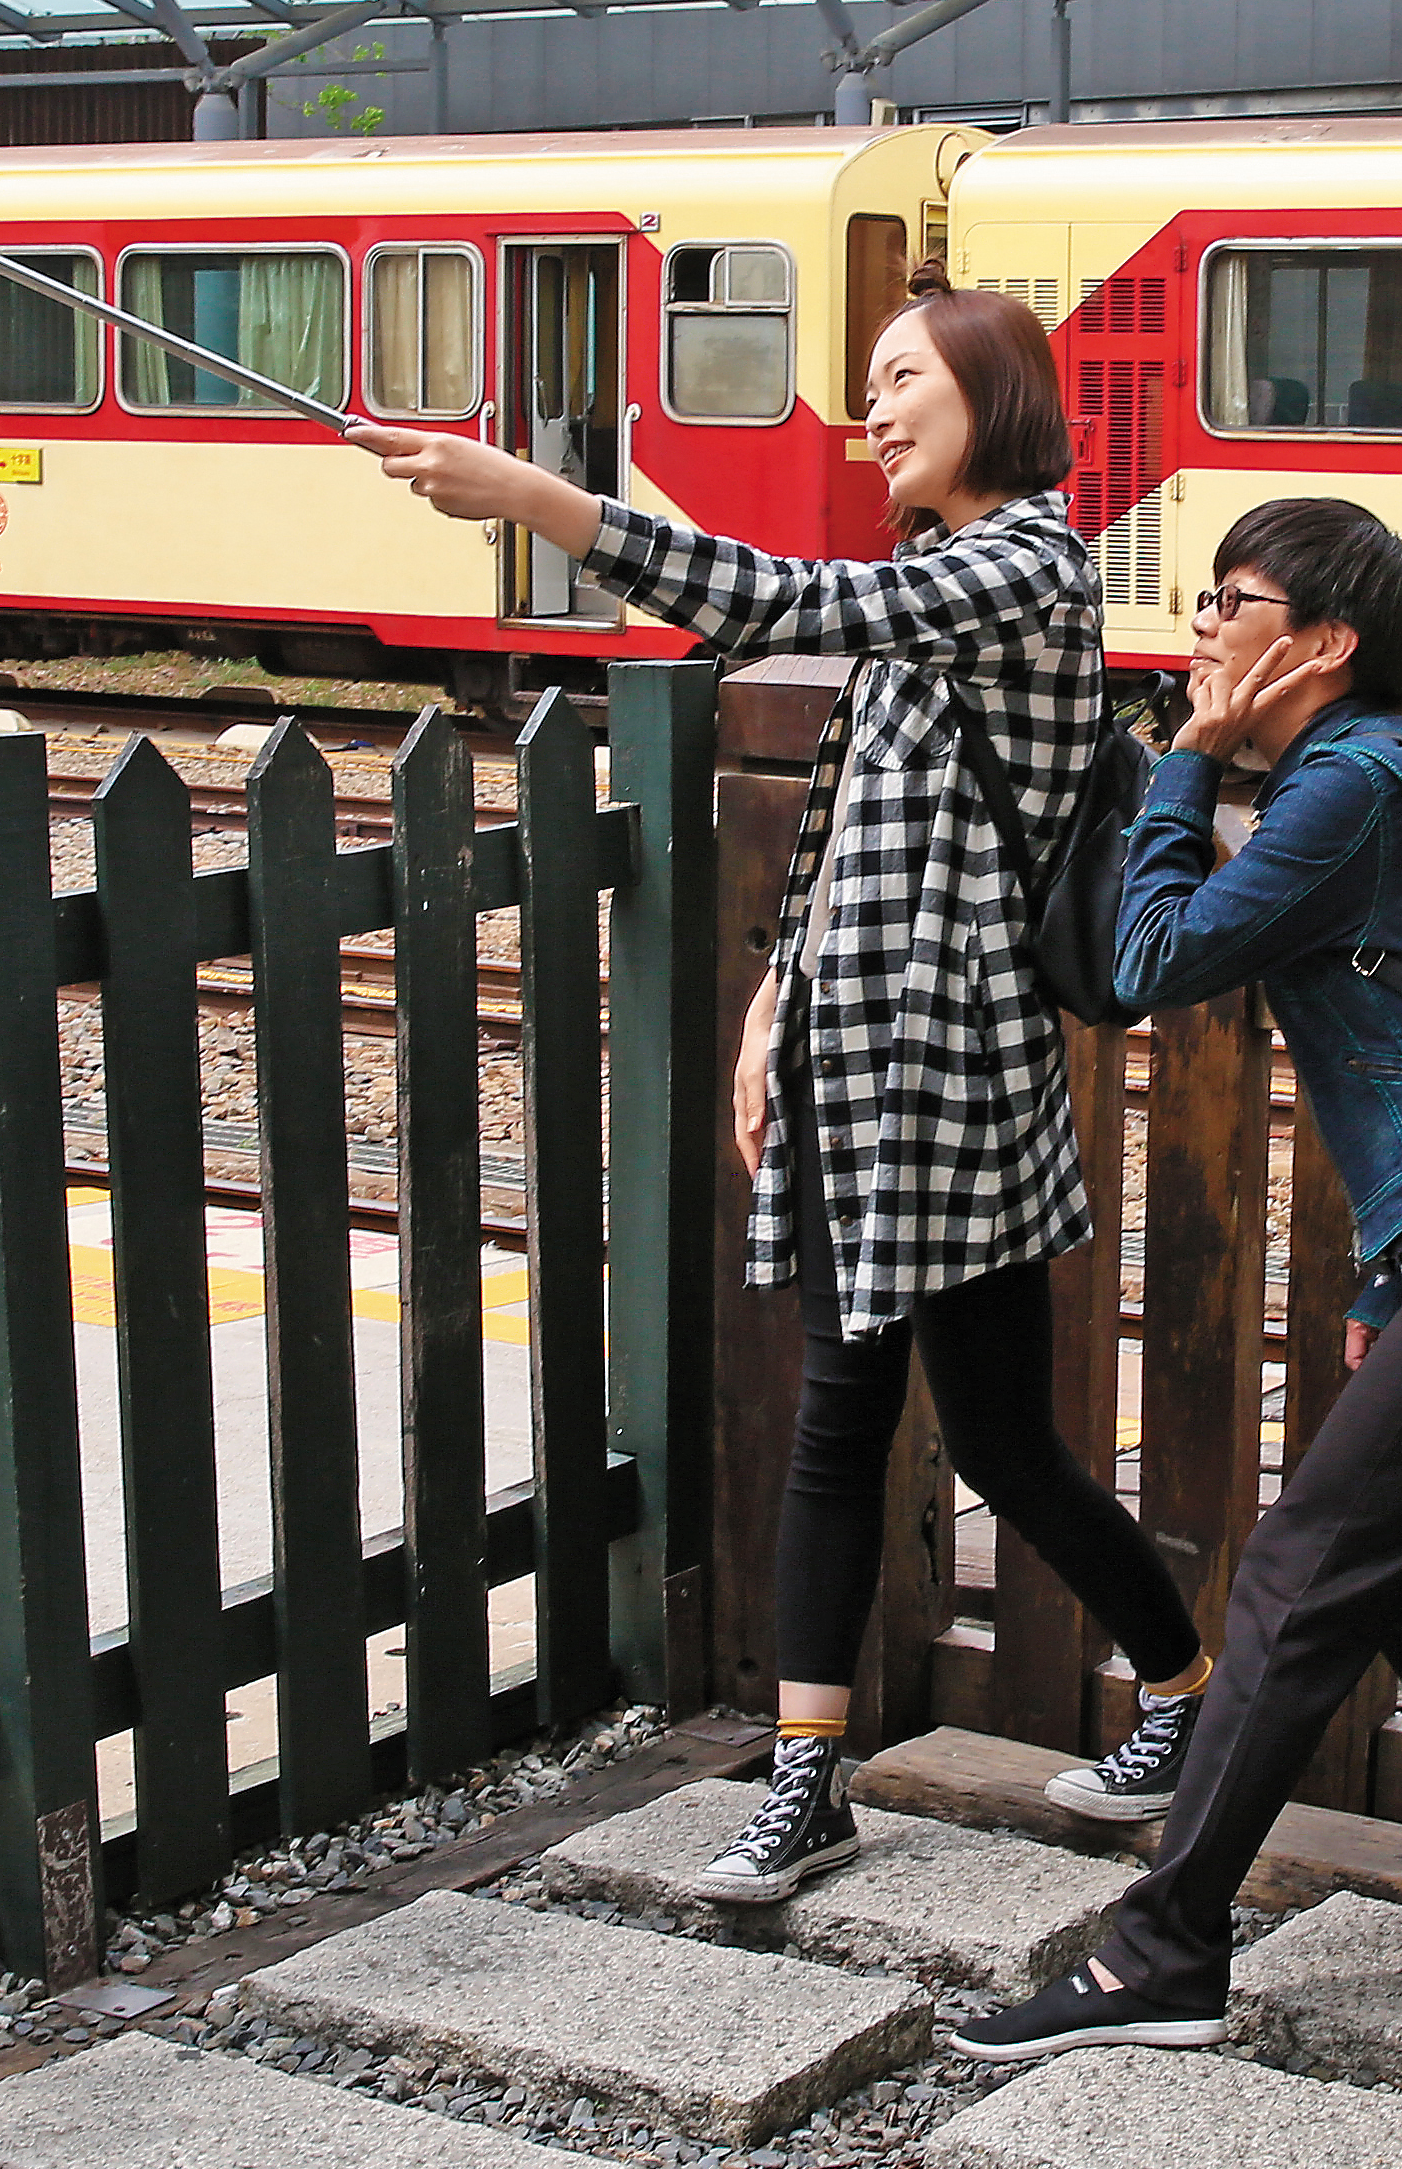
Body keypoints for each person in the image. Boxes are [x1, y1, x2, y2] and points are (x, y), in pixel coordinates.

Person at [358, 288, 1213, 1898]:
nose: (871, 413)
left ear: (993, 395)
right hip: (856, 1062)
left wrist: (550, 502)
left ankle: (1174, 1685)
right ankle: (829, 1772)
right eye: (870, 388)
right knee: (877, 1424)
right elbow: (841, 838)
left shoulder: (1024, 564)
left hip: (953, 1077)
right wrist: (770, 1008)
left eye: (903, 382)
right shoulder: (931, 584)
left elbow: (766, 603)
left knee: (986, 1442)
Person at [949, 496, 1402, 2058]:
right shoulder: (1380, 774)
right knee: (1388, 1548)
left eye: (1235, 598)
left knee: (1297, 1569)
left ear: (1325, 643)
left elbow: (1151, 966)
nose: (1204, 621)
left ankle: (1163, 1948)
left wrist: (1189, 764)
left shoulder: (1347, 779)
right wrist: (1385, 1283)